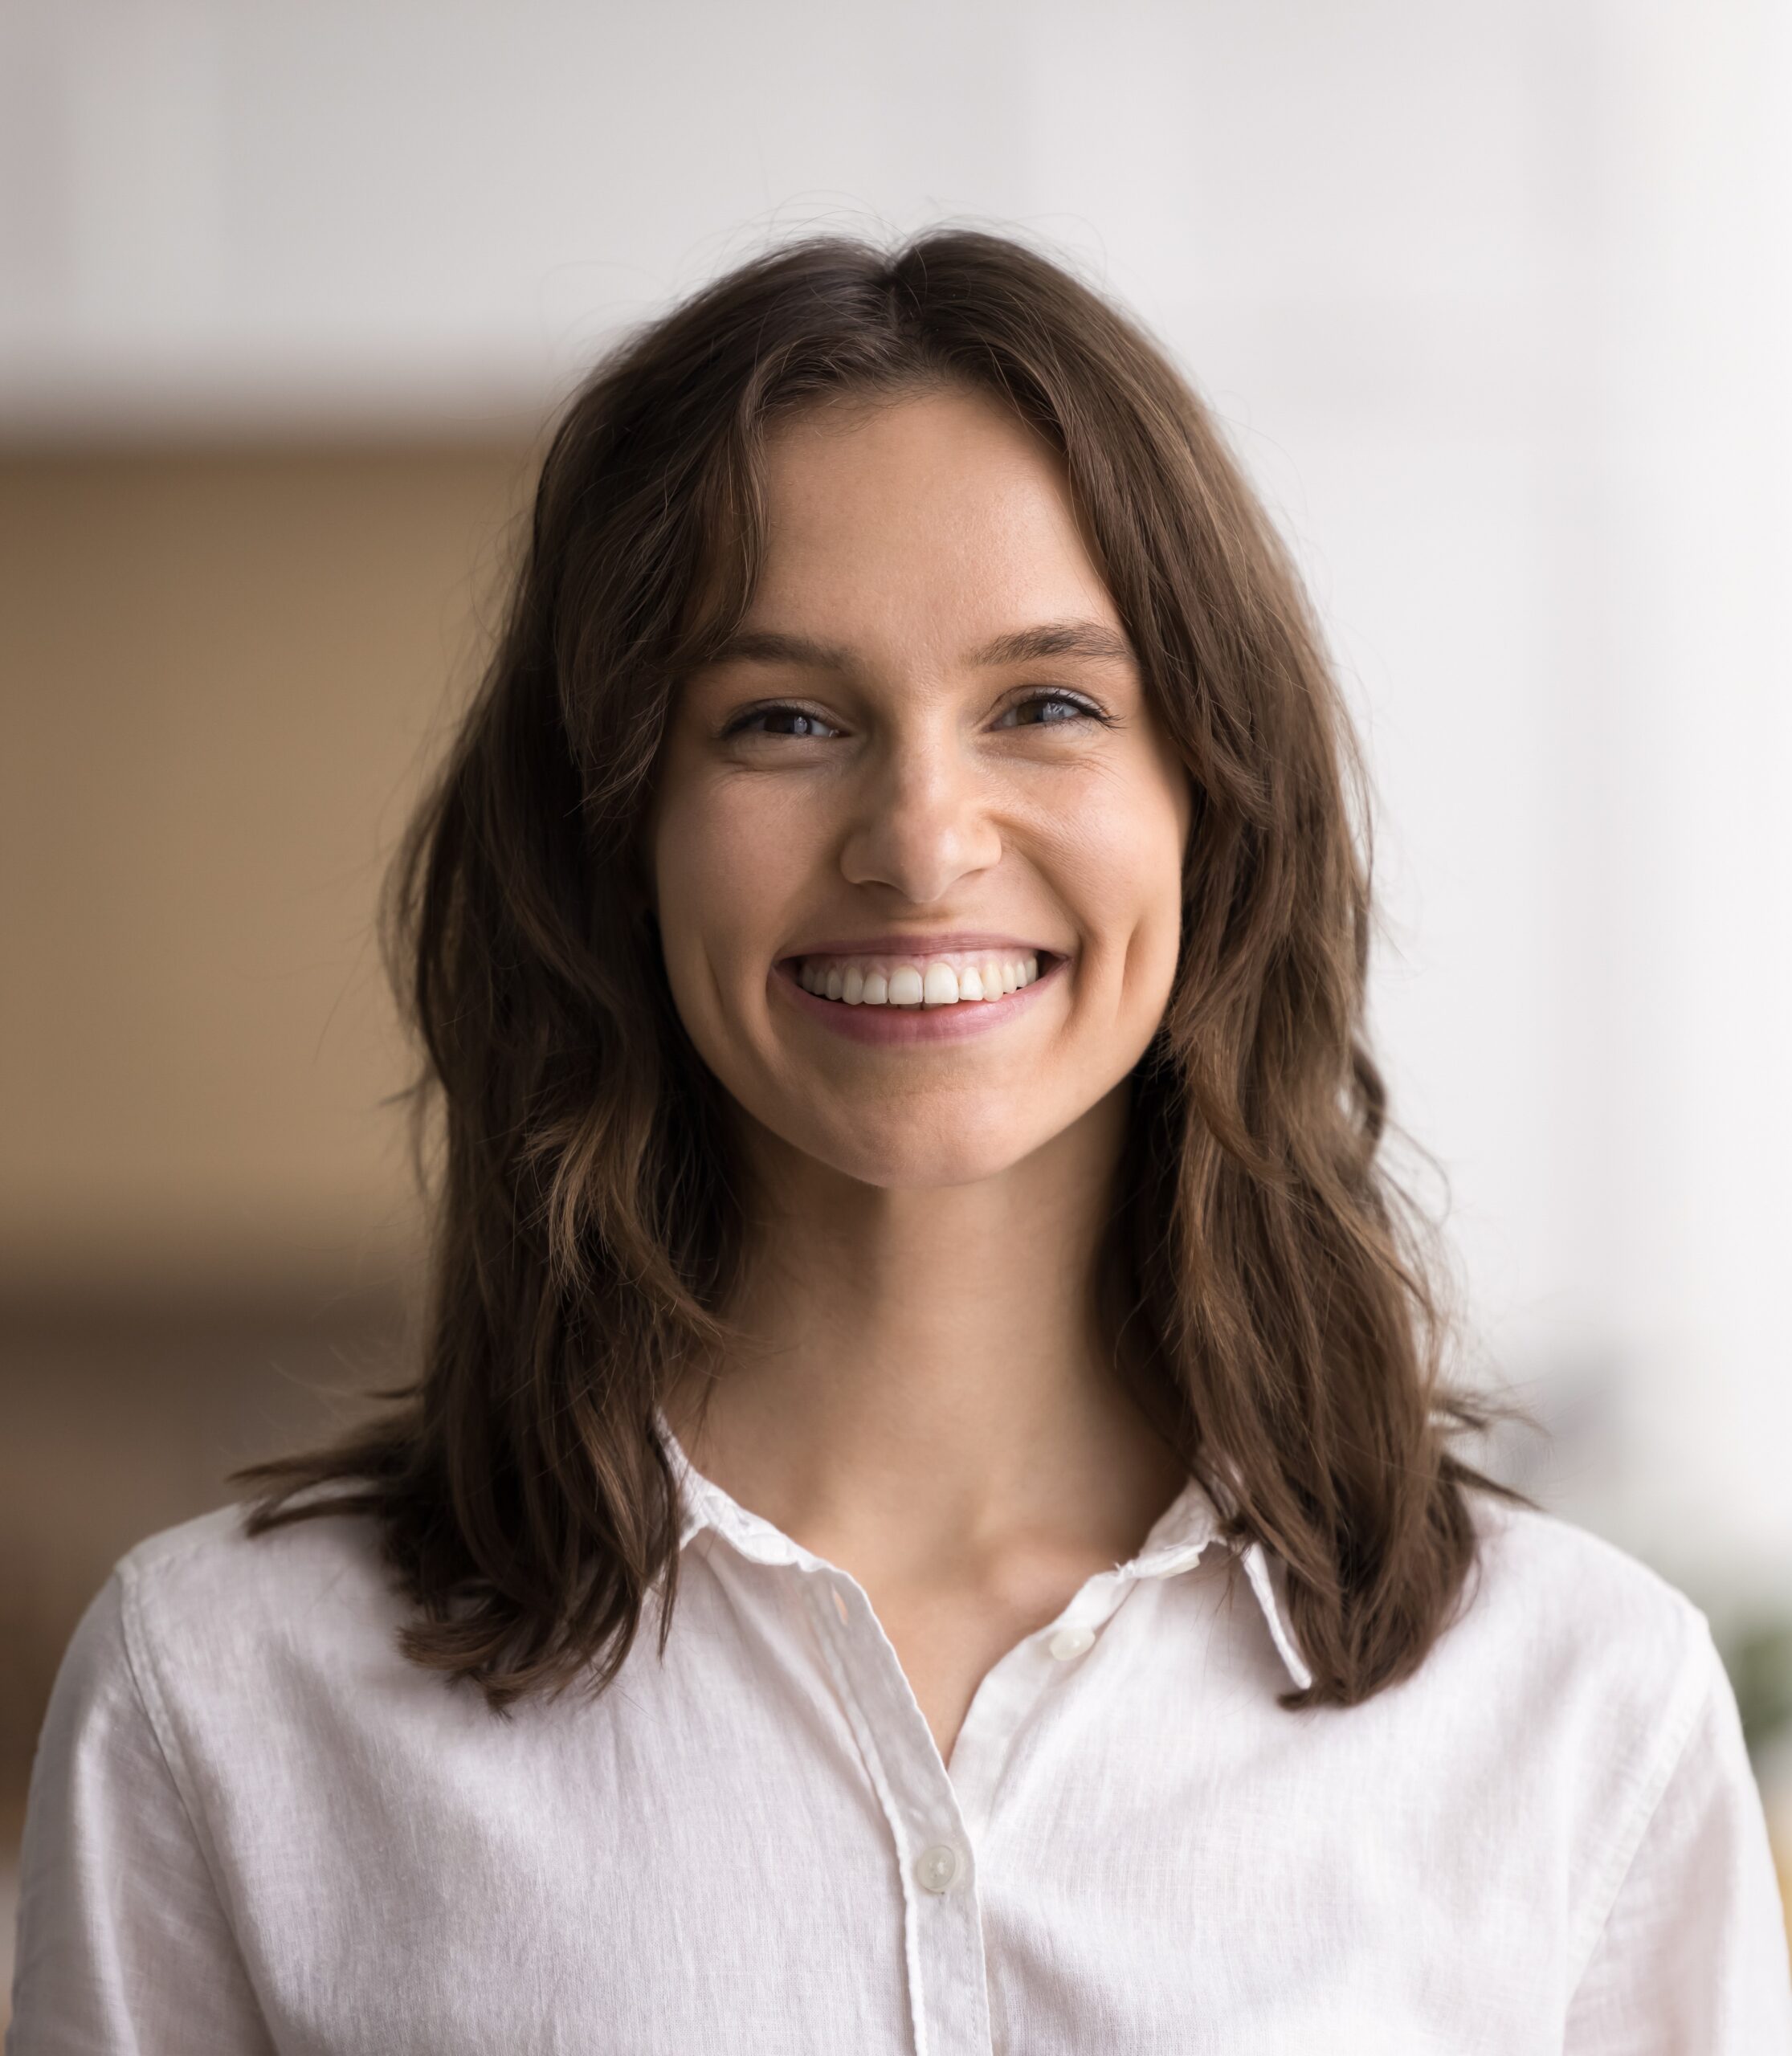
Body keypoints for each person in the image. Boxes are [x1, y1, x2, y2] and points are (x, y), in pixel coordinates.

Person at [10, 229, 1790, 2054]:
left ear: (1215, 806)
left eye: (1047, 705)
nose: (922, 841)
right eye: (782, 718)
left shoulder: (1577, 1708)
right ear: (609, 834)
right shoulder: (226, 1695)